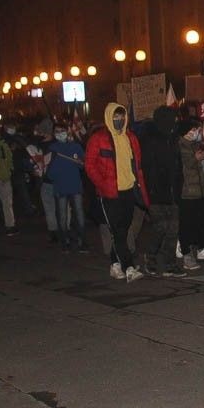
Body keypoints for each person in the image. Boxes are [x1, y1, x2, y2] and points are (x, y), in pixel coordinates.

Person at [85, 103, 148, 282]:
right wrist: (103, 184)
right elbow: (90, 165)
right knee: (118, 230)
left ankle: (115, 263)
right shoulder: (98, 139)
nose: (119, 121)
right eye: (115, 118)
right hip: (110, 193)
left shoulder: (131, 138)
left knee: (122, 229)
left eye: (121, 117)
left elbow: (136, 165)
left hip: (128, 190)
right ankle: (128, 266)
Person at [140, 107, 185, 277]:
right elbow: (148, 167)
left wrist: (178, 185)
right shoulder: (150, 139)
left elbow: (177, 164)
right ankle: (150, 257)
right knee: (160, 227)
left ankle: (170, 263)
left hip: (172, 191)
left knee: (173, 229)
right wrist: (151, 190)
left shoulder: (173, 139)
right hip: (157, 192)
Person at [177, 120, 204, 270]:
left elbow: (202, 165)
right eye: (193, 130)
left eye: (196, 130)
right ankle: (186, 253)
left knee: (201, 223)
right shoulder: (180, 145)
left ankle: (200, 248)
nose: (195, 133)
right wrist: (196, 158)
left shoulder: (195, 145)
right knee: (186, 225)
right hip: (187, 192)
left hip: (200, 190)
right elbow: (184, 165)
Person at [46, 126, 87, 251]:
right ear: (54, 134)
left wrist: (81, 162)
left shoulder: (75, 147)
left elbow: (83, 164)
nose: (60, 134)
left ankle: (82, 241)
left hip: (75, 185)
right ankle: (65, 241)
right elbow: (47, 170)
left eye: (62, 131)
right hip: (60, 186)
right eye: (57, 132)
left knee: (79, 214)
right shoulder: (52, 149)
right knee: (62, 215)